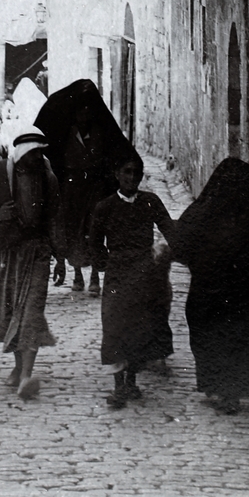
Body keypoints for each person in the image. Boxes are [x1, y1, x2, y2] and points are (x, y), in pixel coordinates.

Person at [171, 156, 249, 414]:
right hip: (237, 296)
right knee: (235, 340)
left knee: (210, 337)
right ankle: (229, 391)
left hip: (207, 292)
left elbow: (180, 242)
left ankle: (217, 386)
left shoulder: (202, 211)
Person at [0, 126, 65, 399]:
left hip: (37, 253)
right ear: (21, 154)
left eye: (40, 153)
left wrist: (60, 258)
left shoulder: (49, 179)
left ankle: (26, 374)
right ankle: (18, 366)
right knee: (12, 310)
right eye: (32, 154)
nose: (37, 159)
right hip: (7, 254)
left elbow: (55, 219)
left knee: (31, 312)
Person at [87, 154, 176, 408]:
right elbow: (95, 242)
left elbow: (170, 230)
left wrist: (162, 250)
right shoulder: (105, 207)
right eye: (127, 172)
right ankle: (119, 386)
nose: (132, 178)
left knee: (139, 328)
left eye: (136, 173)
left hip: (144, 273)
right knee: (114, 326)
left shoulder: (150, 201)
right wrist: (105, 263)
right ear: (117, 175)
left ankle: (132, 381)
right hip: (117, 274)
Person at [35, 78, 133, 295]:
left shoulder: (100, 132)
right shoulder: (67, 133)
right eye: (80, 111)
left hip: (94, 188)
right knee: (73, 231)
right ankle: (78, 274)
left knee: (94, 229)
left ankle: (95, 275)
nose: (84, 115)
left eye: (88, 111)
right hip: (72, 189)